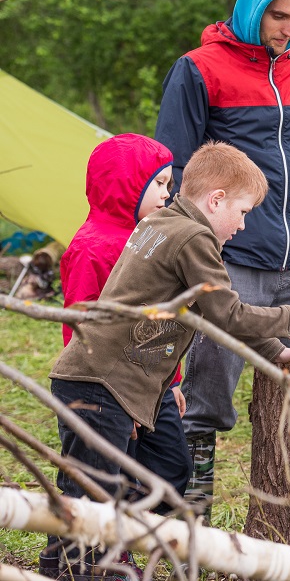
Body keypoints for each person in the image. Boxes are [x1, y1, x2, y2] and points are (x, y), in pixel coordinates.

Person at [40, 142, 290, 581]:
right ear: (215, 200)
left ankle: (101, 545)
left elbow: (210, 315)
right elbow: (228, 312)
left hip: (131, 382)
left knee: (169, 468)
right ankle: (74, 566)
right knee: (93, 486)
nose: (242, 225)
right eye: (242, 211)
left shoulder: (165, 222)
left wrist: (276, 350)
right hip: (99, 380)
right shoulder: (193, 237)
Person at [155, 0, 290, 519]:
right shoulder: (199, 69)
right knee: (206, 402)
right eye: (277, 15)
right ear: (251, 7)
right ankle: (192, 525)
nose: (288, 28)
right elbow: (175, 169)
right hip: (229, 263)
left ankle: (289, 530)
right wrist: (201, 252)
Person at [58, 133, 192, 517]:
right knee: (100, 476)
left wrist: (174, 380)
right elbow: (81, 327)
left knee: (171, 466)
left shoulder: (151, 239)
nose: (168, 194)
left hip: (150, 379)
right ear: (126, 184)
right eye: (159, 184)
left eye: (170, 183)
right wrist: (112, 396)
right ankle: (82, 562)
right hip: (105, 384)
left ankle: (125, 537)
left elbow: (163, 322)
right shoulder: (93, 248)